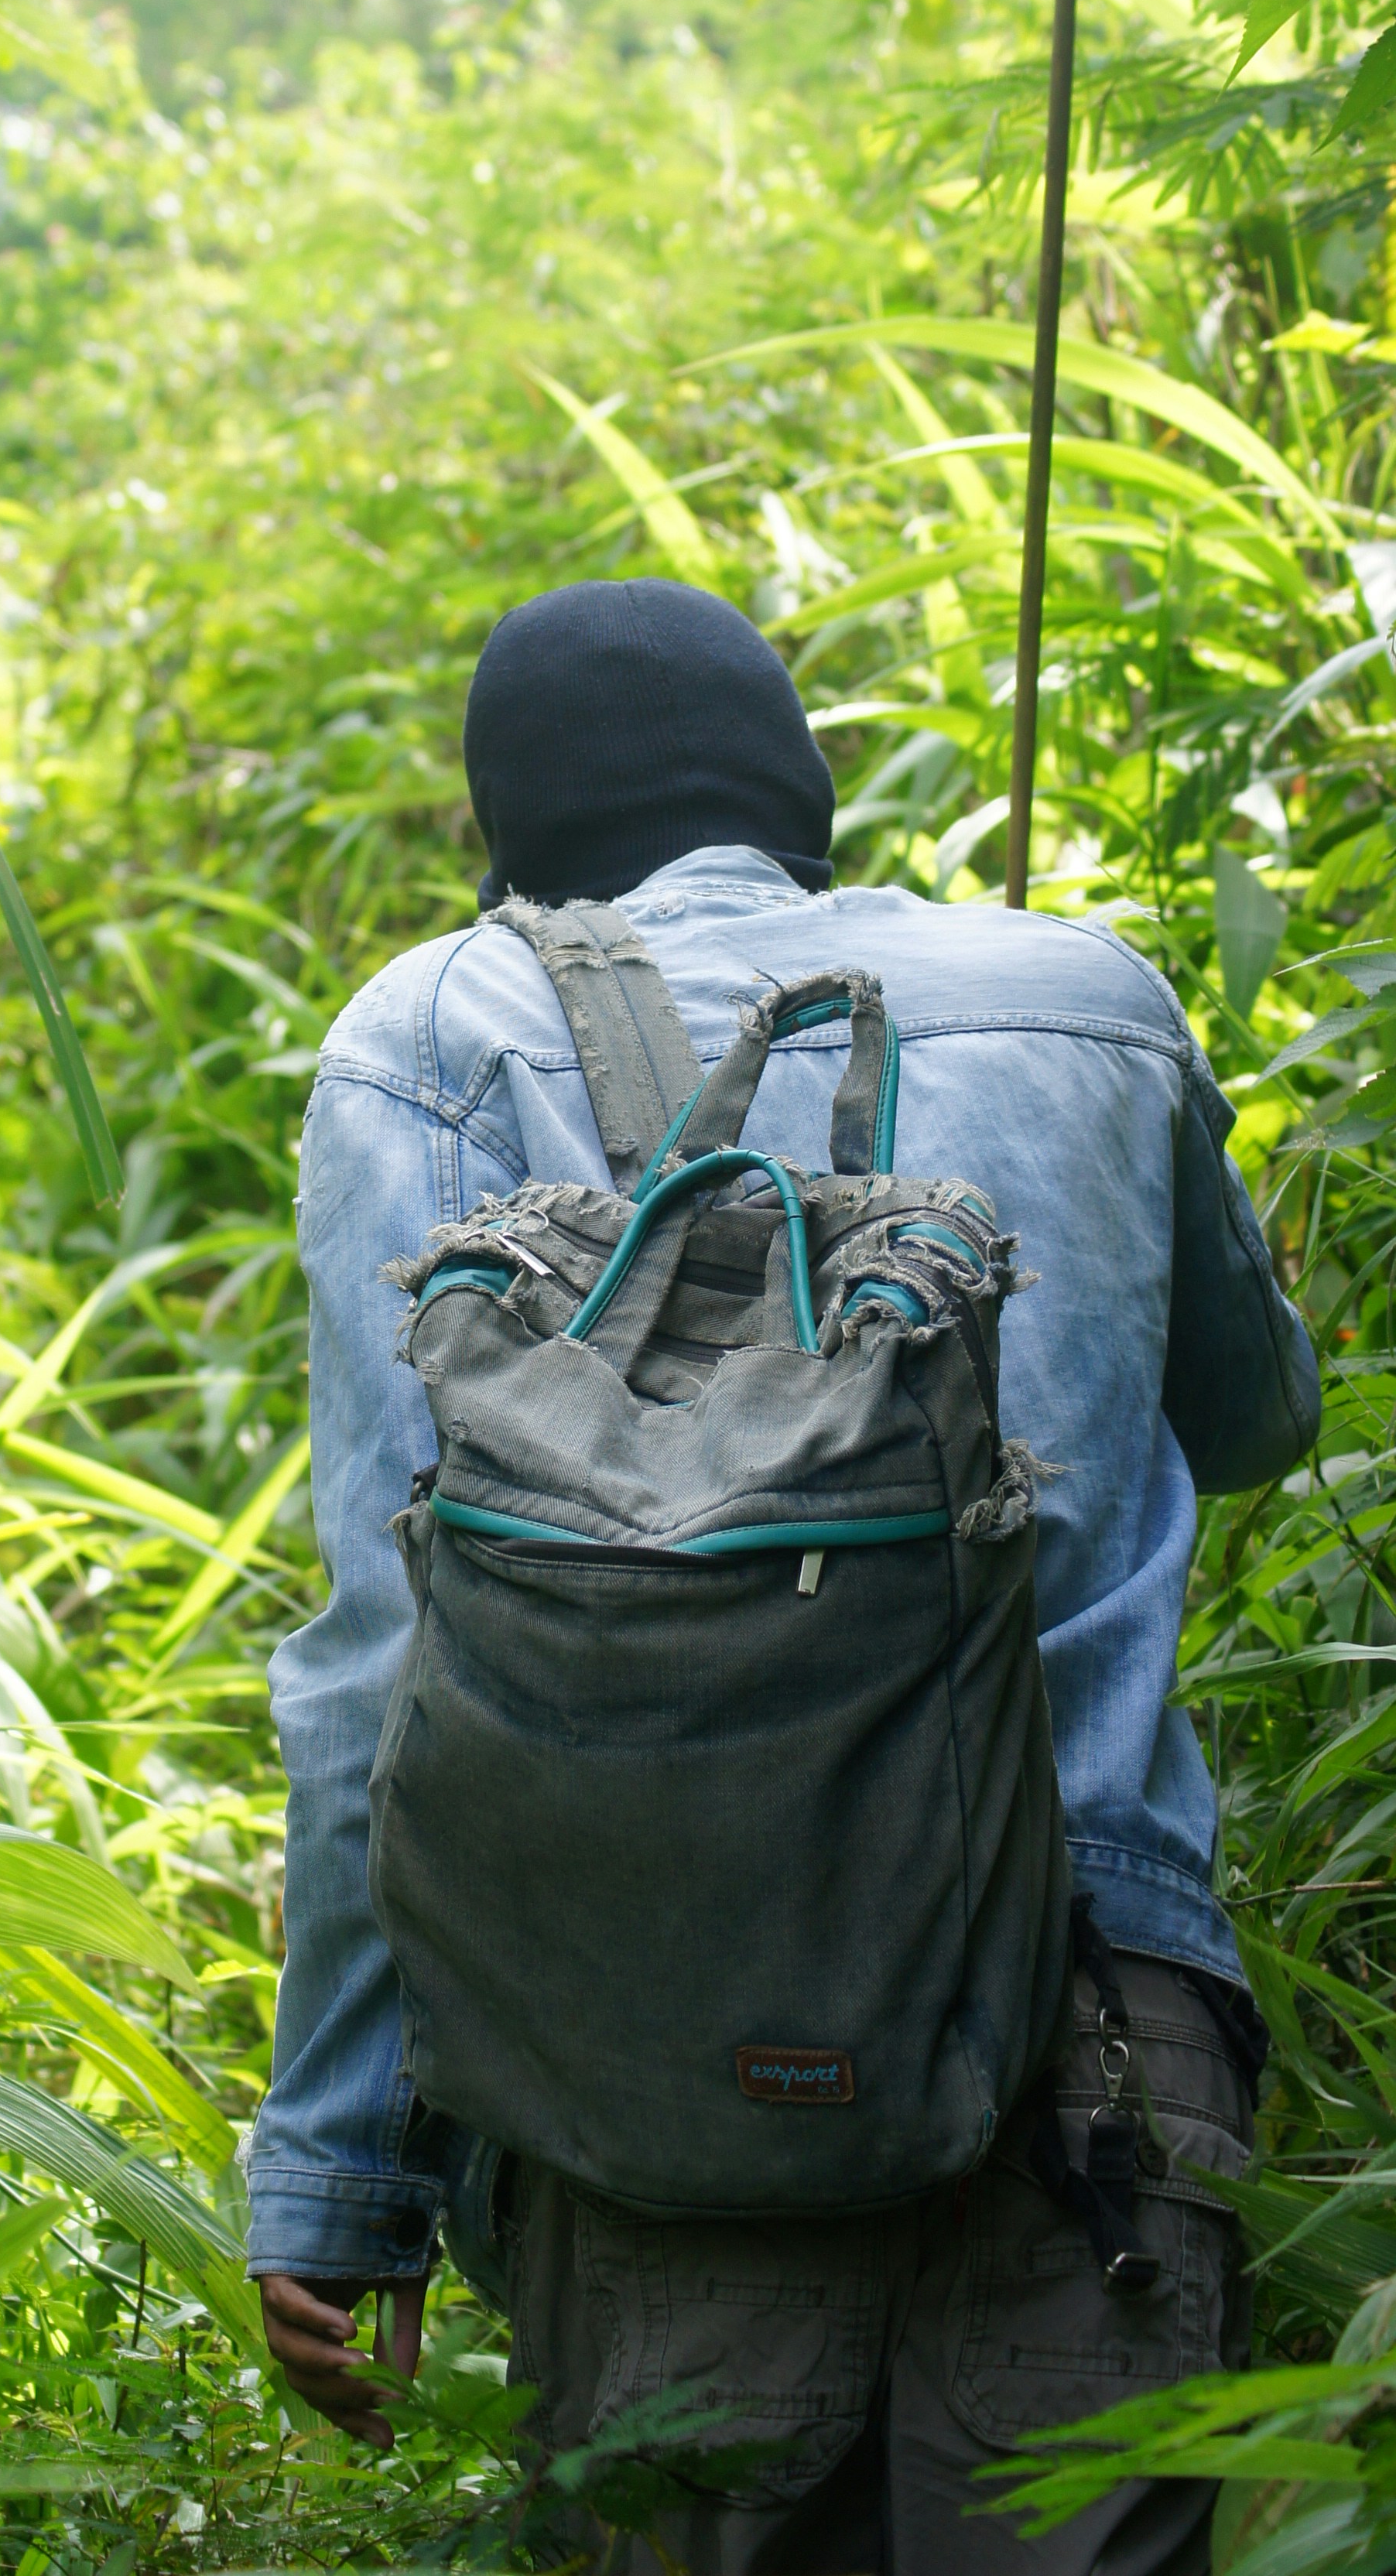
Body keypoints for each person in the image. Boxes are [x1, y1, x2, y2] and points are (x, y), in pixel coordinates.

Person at [249, 577, 1319, 2575]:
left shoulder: (433, 1044)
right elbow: (1261, 1417)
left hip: (663, 2095)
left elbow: (387, 1676)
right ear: (799, 789)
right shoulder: (1090, 996)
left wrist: (342, 2181)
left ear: (518, 839)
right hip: (1094, 2053)